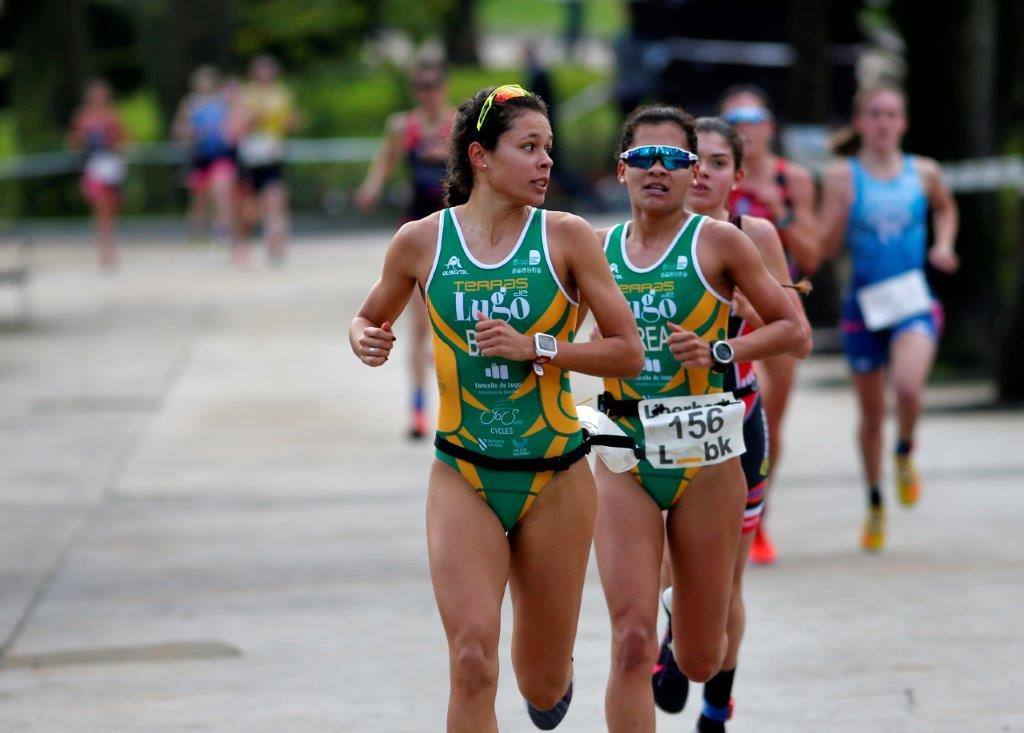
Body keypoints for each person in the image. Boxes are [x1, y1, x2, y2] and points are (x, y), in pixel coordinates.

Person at [349, 84, 644, 732]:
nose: (545, 162)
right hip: (464, 474)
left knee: (540, 679)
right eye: (528, 147)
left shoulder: (567, 237)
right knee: (473, 658)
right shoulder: (420, 242)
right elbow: (369, 316)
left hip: (556, 476)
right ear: (481, 156)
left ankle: (551, 673)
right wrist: (364, 336)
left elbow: (628, 352)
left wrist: (538, 346)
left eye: (549, 148)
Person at [590, 105, 805, 733]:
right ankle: (659, 619)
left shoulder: (732, 241)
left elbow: (795, 330)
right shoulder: (595, 247)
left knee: (702, 655)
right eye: (644, 158)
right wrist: (535, 350)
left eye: (680, 160)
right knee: (629, 643)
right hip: (623, 445)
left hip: (711, 443)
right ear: (621, 169)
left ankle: (690, 636)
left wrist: (722, 348)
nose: (663, 170)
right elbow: (560, 328)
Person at [649, 116, 813, 731]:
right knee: (668, 564)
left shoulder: (754, 235)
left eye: (719, 162)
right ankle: (671, 639)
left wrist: (735, 337)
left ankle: (718, 704)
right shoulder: (649, 235)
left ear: (737, 177)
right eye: (697, 159)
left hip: (734, 417)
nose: (704, 172)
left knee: (726, 579)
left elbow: (797, 340)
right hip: (661, 418)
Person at [820, 83, 959, 551]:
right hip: (863, 304)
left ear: (903, 122)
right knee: (871, 413)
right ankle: (876, 499)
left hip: (912, 299)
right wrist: (834, 219)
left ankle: (905, 450)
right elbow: (823, 247)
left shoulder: (924, 172)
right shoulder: (843, 175)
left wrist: (943, 245)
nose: (882, 123)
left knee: (908, 388)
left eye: (891, 114)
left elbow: (945, 209)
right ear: (860, 123)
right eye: (874, 114)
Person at [719, 84, 821, 564]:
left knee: (768, 420)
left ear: (770, 126)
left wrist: (777, 210)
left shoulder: (790, 178)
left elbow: (813, 254)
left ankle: (760, 515)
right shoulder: (708, 178)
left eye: (754, 116)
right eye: (735, 117)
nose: (746, 126)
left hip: (775, 310)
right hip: (721, 313)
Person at [355, 64, 456, 438]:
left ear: (443, 86)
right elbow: (386, 160)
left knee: (451, 324)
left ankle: (457, 403)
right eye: (420, 86)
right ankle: (417, 409)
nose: (426, 92)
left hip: (453, 231)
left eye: (432, 85)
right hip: (416, 233)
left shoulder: (457, 124)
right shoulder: (404, 127)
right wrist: (371, 188)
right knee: (417, 326)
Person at [172, 66, 239, 258]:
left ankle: (223, 232)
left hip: (220, 156)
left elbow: (235, 125)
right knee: (200, 199)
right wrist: (191, 134)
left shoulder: (224, 101)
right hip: (199, 158)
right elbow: (179, 131)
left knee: (222, 191)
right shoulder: (190, 103)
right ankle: (198, 231)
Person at [238, 55, 298, 266]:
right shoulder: (246, 94)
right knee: (250, 206)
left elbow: (289, 122)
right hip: (252, 155)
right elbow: (238, 124)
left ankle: (276, 244)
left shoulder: (281, 94)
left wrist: (291, 122)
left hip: (272, 153)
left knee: (275, 198)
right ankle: (242, 242)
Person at [69, 79, 126, 271]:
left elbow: (123, 140)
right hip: (94, 167)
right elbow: (75, 142)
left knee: (110, 210)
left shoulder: (113, 115)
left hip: (110, 166)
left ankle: (110, 246)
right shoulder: (83, 116)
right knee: (99, 207)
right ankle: (104, 250)